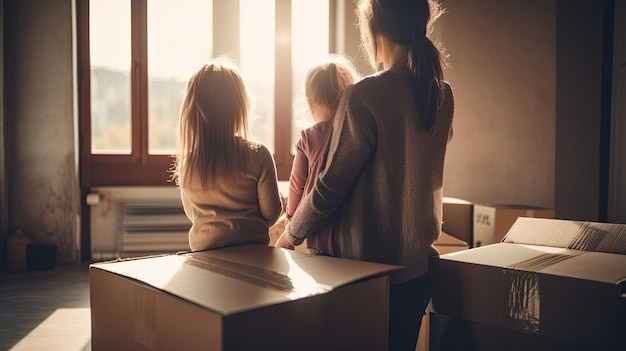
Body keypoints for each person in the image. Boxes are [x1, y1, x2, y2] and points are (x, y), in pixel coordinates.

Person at [275, 0, 454, 349]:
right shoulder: (442, 94)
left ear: (373, 30)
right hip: (419, 272)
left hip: (368, 276)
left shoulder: (366, 95)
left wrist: (291, 234)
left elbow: (329, 186)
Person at [172, 58, 283, 251]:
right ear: (240, 108)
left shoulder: (188, 162)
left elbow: (193, 214)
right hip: (253, 253)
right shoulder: (258, 155)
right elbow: (271, 213)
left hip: (205, 255)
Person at [284, 57, 359, 256]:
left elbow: (297, 183)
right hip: (356, 235)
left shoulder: (309, 138)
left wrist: (291, 217)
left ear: (310, 103)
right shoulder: (357, 135)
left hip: (320, 236)